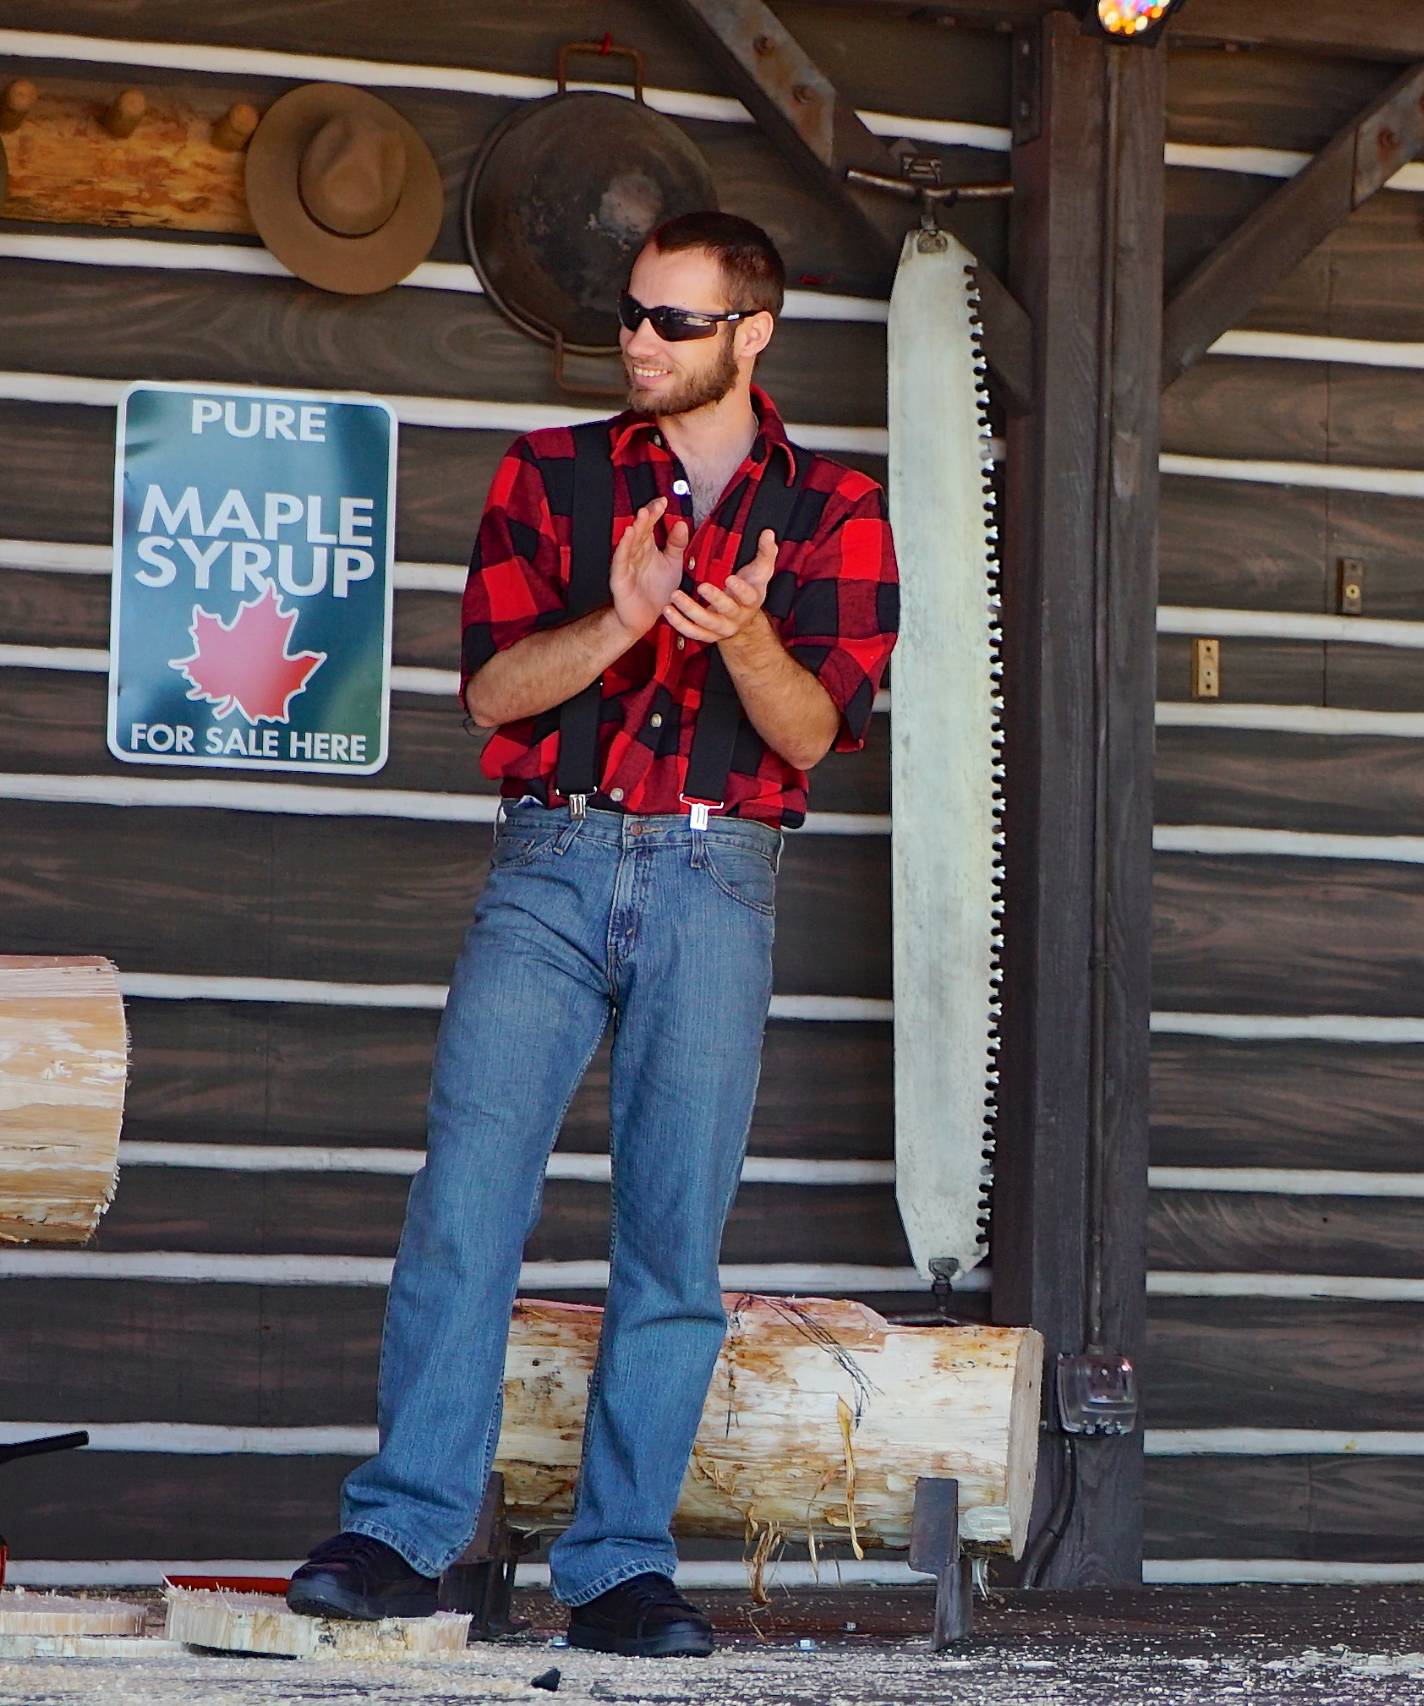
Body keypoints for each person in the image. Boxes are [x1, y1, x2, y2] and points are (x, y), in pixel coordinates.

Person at [285, 211, 898, 1658]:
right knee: (465, 1201)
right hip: (551, 860)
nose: (638, 340)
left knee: (674, 1235)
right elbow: (494, 695)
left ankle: (618, 1560)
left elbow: (815, 728)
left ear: (754, 333)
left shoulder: (835, 507)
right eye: (631, 315)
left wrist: (741, 631)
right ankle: (403, 1530)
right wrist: (625, 620)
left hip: (720, 874)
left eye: (674, 322)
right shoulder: (546, 470)